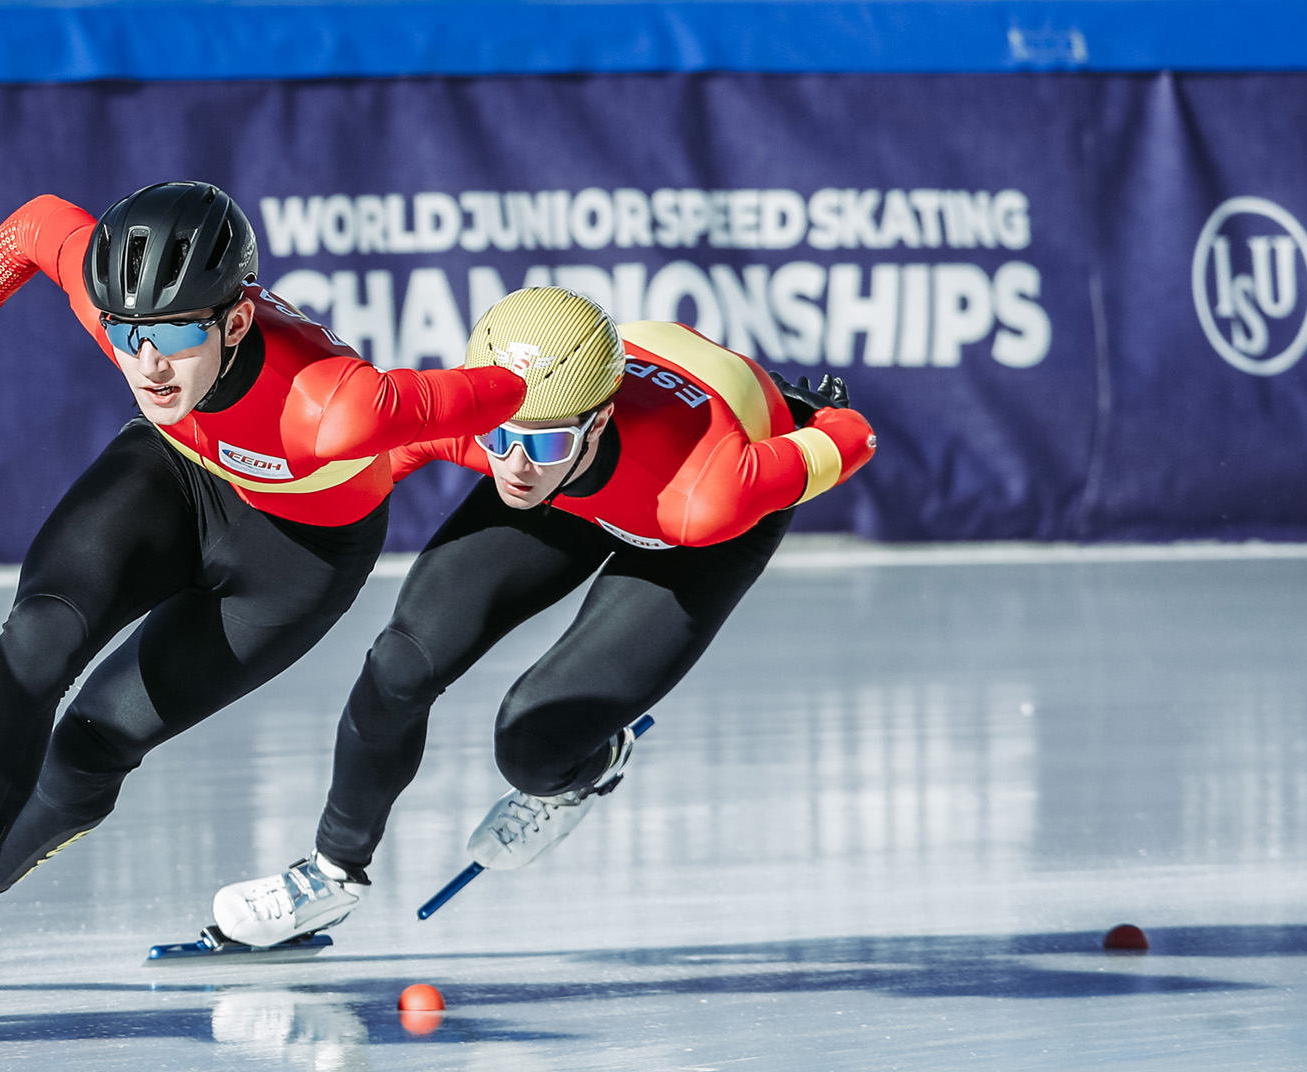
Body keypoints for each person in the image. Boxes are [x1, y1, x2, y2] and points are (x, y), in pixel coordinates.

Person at [0, 181, 531, 1006]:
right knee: (35, 644)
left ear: (237, 321)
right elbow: (34, 226)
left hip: (296, 559)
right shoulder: (121, 310)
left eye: (176, 335)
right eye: (127, 334)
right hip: (172, 474)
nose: (148, 363)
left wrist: (557, 392)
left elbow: (505, 390)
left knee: (95, 741)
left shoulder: (334, 405)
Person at [210, 287, 876, 944]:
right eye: (497, 436)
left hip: (683, 499)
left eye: (547, 444)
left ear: (600, 420)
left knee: (534, 749)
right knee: (399, 664)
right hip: (599, 478)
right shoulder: (498, 440)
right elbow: (353, 473)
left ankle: (591, 766)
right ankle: (331, 875)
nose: (517, 466)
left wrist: (816, 419)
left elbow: (856, 440)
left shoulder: (707, 493)